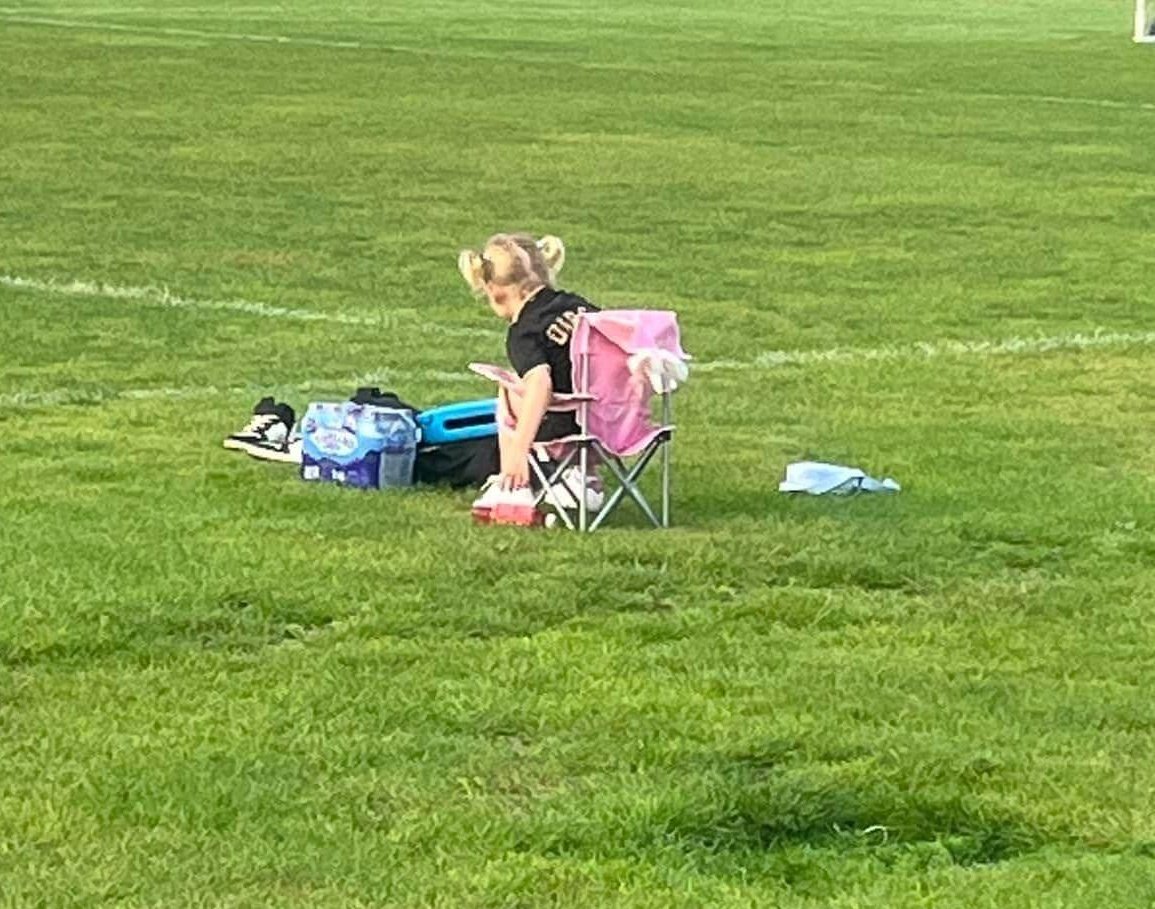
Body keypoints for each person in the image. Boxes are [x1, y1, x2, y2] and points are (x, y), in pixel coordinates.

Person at [457, 233, 604, 510]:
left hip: (570, 426)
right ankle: (586, 478)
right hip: (616, 422)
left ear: (493, 289)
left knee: (510, 390)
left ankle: (513, 481)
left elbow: (540, 385)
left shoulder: (524, 332)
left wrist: (518, 452)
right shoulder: (579, 305)